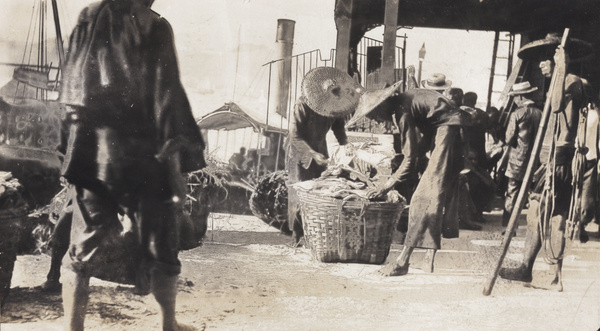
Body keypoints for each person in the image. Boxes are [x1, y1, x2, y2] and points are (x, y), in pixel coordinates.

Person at [58, 1, 206, 330]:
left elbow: (69, 89)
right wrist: (176, 176)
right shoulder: (154, 26)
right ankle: (168, 324)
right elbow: (166, 103)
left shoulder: (87, 17)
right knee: (160, 239)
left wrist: (70, 153)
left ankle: (73, 327)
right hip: (144, 157)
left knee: (82, 242)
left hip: (91, 153)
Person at [499, 33, 592, 291]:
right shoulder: (559, 82)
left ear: (557, 57)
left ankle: (532, 270)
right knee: (552, 217)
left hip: (557, 159)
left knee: (541, 214)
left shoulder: (570, 81)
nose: (541, 65)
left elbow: (559, 107)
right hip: (552, 159)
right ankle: (549, 276)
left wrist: (562, 67)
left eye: (545, 59)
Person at [346, 87, 469, 276]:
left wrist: (386, 186)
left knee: (423, 198)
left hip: (448, 130)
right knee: (434, 197)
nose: (375, 120)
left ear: (381, 107)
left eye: (373, 116)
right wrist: (402, 158)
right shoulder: (407, 101)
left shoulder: (401, 113)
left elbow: (410, 160)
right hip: (449, 128)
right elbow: (421, 143)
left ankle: (403, 261)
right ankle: (428, 261)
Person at [285, 67, 362, 243]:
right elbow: (294, 136)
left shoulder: (335, 105)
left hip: (321, 152)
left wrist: (345, 144)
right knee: (301, 194)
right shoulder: (302, 105)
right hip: (300, 155)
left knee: (320, 193)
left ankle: (314, 234)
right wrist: (311, 153)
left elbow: (338, 127)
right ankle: (297, 237)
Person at [501, 82, 542, 227]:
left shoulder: (517, 113)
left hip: (517, 159)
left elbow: (508, 138)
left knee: (512, 192)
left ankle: (509, 225)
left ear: (520, 96)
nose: (514, 101)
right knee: (531, 191)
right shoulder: (540, 113)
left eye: (514, 98)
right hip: (534, 160)